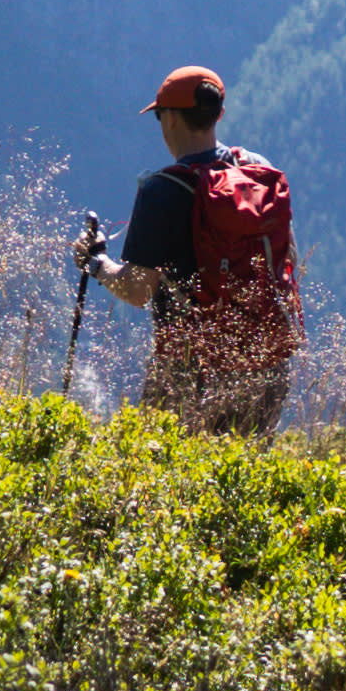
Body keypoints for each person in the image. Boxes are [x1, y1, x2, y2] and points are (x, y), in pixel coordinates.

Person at [84, 62, 297, 434]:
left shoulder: (162, 190)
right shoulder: (258, 171)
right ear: (219, 115)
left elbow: (137, 290)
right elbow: (289, 257)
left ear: (169, 120)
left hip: (189, 369)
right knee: (244, 482)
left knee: (163, 477)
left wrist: (98, 264)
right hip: (266, 366)